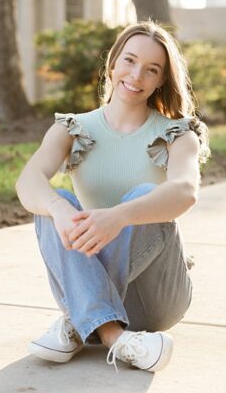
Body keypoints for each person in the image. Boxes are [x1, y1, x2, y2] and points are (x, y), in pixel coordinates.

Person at [15, 21, 210, 373]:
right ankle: (115, 337)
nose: (136, 76)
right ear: (113, 63)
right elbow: (29, 180)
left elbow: (185, 191)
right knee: (50, 201)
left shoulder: (177, 134)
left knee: (148, 195)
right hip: (95, 284)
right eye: (130, 61)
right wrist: (58, 209)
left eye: (151, 70)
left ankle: (79, 322)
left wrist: (119, 216)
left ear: (161, 80)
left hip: (155, 295)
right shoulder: (73, 128)